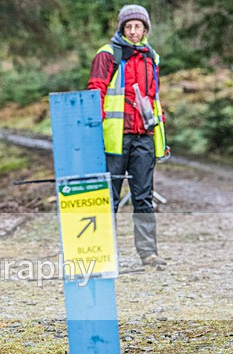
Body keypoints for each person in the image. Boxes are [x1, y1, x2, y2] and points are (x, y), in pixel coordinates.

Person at [88, 4, 168, 268]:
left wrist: (160, 126)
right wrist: (92, 128)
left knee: (143, 196)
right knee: (107, 197)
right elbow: (96, 90)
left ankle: (148, 254)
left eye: (138, 26)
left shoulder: (151, 56)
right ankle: (103, 254)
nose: (133, 32)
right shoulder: (108, 54)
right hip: (114, 139)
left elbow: (153, 97)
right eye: (129, 27)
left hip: (143, 136)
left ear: (145, 29)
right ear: (121, 28)